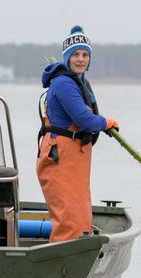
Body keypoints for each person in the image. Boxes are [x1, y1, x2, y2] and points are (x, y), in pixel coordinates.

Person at [36, 25, 120, 242]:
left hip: (74, 156)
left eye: (84, 54)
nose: (80, 59)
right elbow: (85, 119)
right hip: (59, 156)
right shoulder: (64, 83)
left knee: (81, 216)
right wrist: (107, 122)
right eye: (75, 55)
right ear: (67, 58)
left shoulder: (79, 81)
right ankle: (60, 268)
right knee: (69, 220)